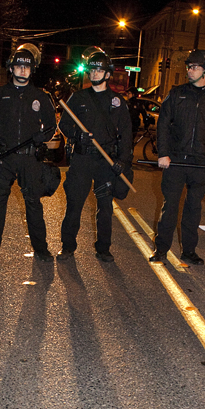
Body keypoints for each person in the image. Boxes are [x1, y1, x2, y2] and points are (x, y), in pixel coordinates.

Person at [0, 43, 56, 262]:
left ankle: (41, 248)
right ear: (11, 68)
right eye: (18, 66)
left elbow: (51, 126)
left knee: (33, 203)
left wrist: (44, 137)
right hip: (4, 159)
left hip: (30, 159)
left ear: (32, 70)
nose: (22, 70)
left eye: (27, 66)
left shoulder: (40, 96)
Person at [149, 49, 205, 265]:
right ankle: (161, 249)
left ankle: (189, 251)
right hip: (175, 161)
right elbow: (163, 124)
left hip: (200, 164)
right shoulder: (176, 94)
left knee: (193, 209)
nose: (189, 70)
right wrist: (163, 153)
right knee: (170, 208)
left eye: (193, 67)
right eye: (189, 66)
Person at [57, 46, 133, 262]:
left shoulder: (117, 102)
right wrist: (77, 136)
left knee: (105, 208)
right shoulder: (78, 98)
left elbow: (126, 134)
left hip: (105, 162)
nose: (94, 74)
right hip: (82, 159)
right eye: (92, 70)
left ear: (108, 74)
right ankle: (68, 246)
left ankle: (103, 248)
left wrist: (123, 161)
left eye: (99, 71)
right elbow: (64, 124)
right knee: (74, 205)